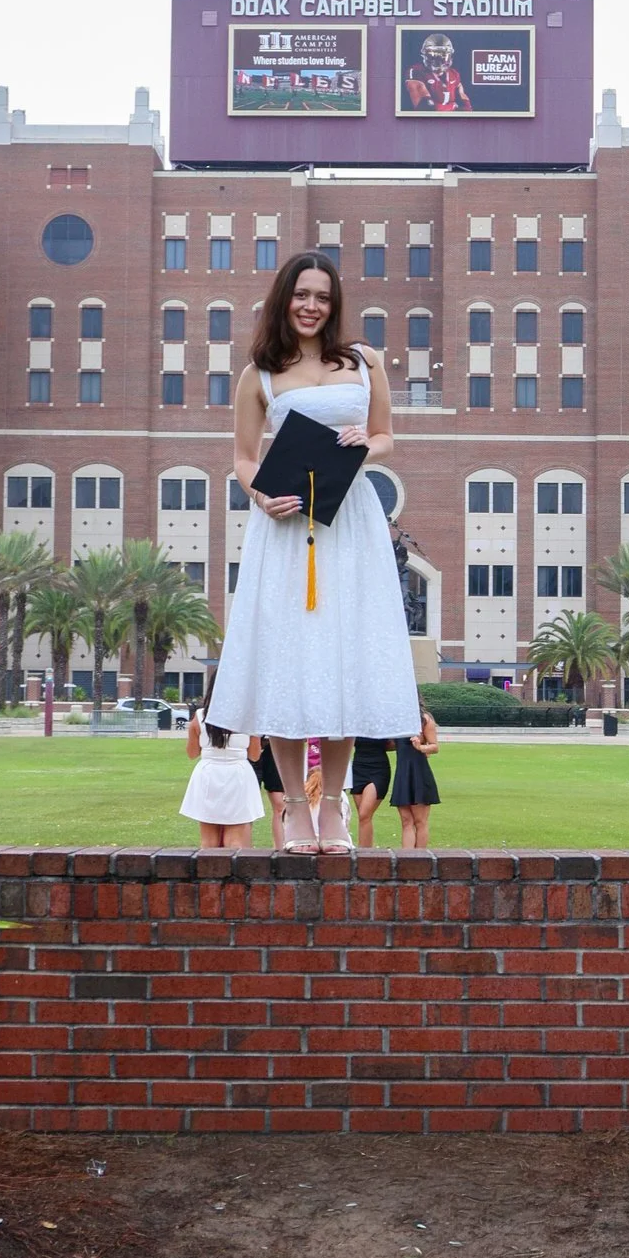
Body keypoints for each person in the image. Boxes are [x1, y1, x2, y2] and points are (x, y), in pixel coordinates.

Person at [208, 250, 421, 853]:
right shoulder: (260, 375)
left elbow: (385, 435)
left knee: (341, 662)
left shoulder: (364, 362)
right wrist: (258, 495)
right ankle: (293, 810)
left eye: (322, 297)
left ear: (335, 304)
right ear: (285, 299)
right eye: (302, 294)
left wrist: (366, 444)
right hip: (284, 533)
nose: (311, 305)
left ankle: (333, 809)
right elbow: (245, 460)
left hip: (349, 526)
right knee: (287, 663)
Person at [353, 706, 444, 853]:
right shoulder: (398, 721)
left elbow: (435, 746)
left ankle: (420, 858)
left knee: (420, 821)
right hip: (402, 773)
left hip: (419, 772)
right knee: (406, 820)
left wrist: (421, 747)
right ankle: (407, 857)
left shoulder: (424, 719)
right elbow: (391, 744)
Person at [181, 696, 263, 850]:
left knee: (209, 842)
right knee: (235, 842)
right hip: (238, 775)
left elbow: (192, 753)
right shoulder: (248, 716)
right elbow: (254, 755)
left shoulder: (200, 716)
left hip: (209, 775)